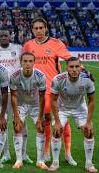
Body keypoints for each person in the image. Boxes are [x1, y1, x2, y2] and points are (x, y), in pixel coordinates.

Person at [23, 17, 76, 165]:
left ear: (46, 28)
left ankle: (67, 153)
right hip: (39, 91)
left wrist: (83, 70)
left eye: (41, 28)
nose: (38, 31)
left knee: (63, 122)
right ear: (32, 30)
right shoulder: (28, 45)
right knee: (46, 121)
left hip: (57, 90)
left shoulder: (56, 43)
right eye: (36, 28)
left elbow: (70, 59)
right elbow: (24, 66)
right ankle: (46, 152)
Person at [48, 57, 97, 173]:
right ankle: (55, 163)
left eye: (77, 66)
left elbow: (91, 101)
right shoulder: (58, 79)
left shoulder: (87, 79)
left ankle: (89, 164)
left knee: (89, 132)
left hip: (80, 108)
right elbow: (53, 101)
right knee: (57, 131)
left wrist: (89, 122)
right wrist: (57, 122)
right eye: (71, 67)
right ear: (67, 68)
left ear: (81, 68)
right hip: (63, 108)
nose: (74, 69)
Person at [0, 28, 33, 164]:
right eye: (1, 35)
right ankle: (6, 153)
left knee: (22, 123)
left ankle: (24, 153)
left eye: (6, 35)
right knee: (3, 122)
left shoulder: (18, 48)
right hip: (1, 92)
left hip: (18, 91)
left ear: (10, 36)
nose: (4, 37)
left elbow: (26, 64)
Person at [10, 52, 48, 170]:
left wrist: (41, 116)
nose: (27, 64)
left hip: (35, 105)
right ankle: (19, 160)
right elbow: (14, 96)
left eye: (30, 61)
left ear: (34, 62)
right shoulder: (15, 76)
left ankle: (40, 161)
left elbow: (42, 97)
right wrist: (16, 115)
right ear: (21, 62)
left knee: (41, 127)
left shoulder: (40, 76)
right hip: (21, 104)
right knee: (17, 127)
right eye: (25, 61)